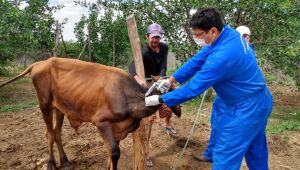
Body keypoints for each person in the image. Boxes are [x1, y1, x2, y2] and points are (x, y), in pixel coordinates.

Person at [145, 8, 273, 170]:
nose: (196, 38)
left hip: (246, 108)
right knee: (256, 148)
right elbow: (197, 60)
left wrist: (161, 99)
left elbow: (193, 88)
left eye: (198, 35)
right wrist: (171, 80)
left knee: (225, 155)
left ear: (212, 30)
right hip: (259, 99)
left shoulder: (223, 55)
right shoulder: (228, 35)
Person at [128, 23, 176, 167]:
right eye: (153, 37)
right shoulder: (143, 53)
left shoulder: (164, 47)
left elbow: (163, 66)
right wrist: (140, 80)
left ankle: (167, 122)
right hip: (146, 84)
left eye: (158, 37)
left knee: (174, 98)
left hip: (159, 80)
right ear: (147, 37)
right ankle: (146, 152)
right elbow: (131, 67)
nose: (156, 40)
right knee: (149, 119)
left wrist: (161, 78)